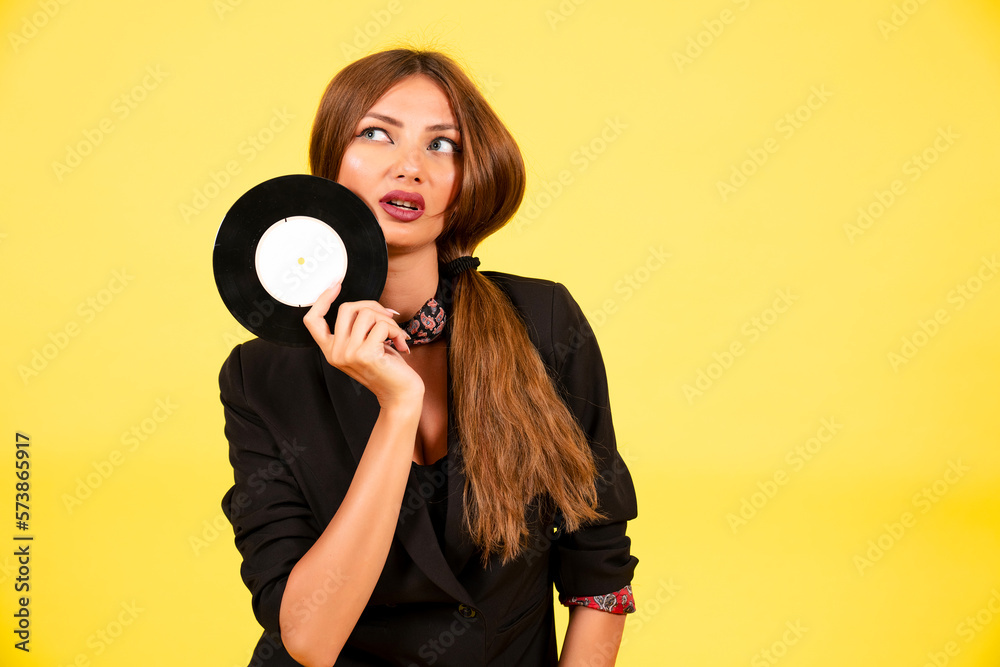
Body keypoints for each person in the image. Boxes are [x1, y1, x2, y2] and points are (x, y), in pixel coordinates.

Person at [220, 49, 638, 667]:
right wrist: (398, 408)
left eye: (442, 145)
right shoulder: (262, 376)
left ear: (467, 181)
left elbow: (597, 567)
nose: (409, 166)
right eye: (375, 134)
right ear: (330, 167)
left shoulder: (544, 321)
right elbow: (307, 638)